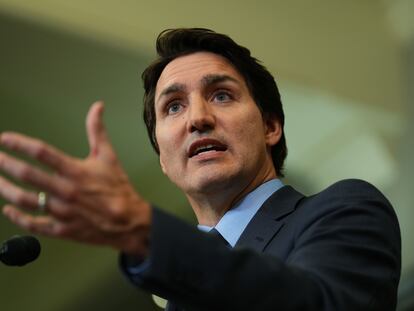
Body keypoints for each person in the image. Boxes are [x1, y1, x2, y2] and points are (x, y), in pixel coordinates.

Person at [0, 28, 400, 310]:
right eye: (173, 106)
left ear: (270, 126)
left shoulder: (345, 208)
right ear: (161, 154)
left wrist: (144, 230)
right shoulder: (176, 288)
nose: (198, 119)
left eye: (221, 95)